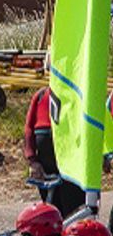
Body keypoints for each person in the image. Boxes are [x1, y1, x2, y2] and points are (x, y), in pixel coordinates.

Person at [24, 85, 85, 217]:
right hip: (46, 163)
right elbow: (29, 127)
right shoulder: (41, 94)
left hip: (70, 161)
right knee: (52, 211)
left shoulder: (76, 92)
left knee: (73, 211)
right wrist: (32, 160)